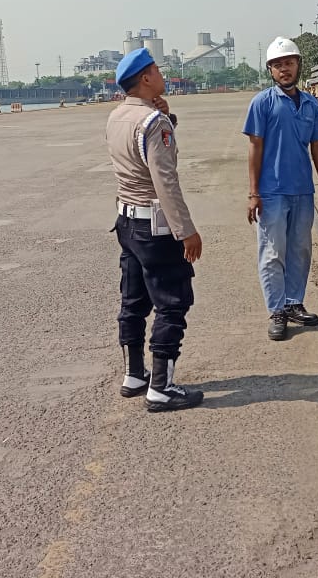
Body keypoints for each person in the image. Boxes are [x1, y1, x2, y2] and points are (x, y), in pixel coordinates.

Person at [105, 47, 204, 412]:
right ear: (146, 78)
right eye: (158, 71)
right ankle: (161, 388)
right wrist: (186, 230)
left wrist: (164, 117)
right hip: (154, 225)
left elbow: (138, 154)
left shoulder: (117, 116)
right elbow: (165, 181)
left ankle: (134, 374)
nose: (162, 75)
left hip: (126, 222)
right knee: (172, 302)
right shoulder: (153, 123)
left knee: (133, 299)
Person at [244, 36, 318, 341]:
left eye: (289, 63)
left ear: (298, 66)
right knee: (272, 252)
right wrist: (253, 193)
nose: (285, 69)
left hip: (302, 190)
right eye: (278, 65)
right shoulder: (262, 103)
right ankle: (277, 310)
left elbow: (317, 146)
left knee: (300, 250)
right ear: (270, 70)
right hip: (272, 192)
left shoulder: (310, 103)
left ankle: (294, 302)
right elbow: (255, 148)